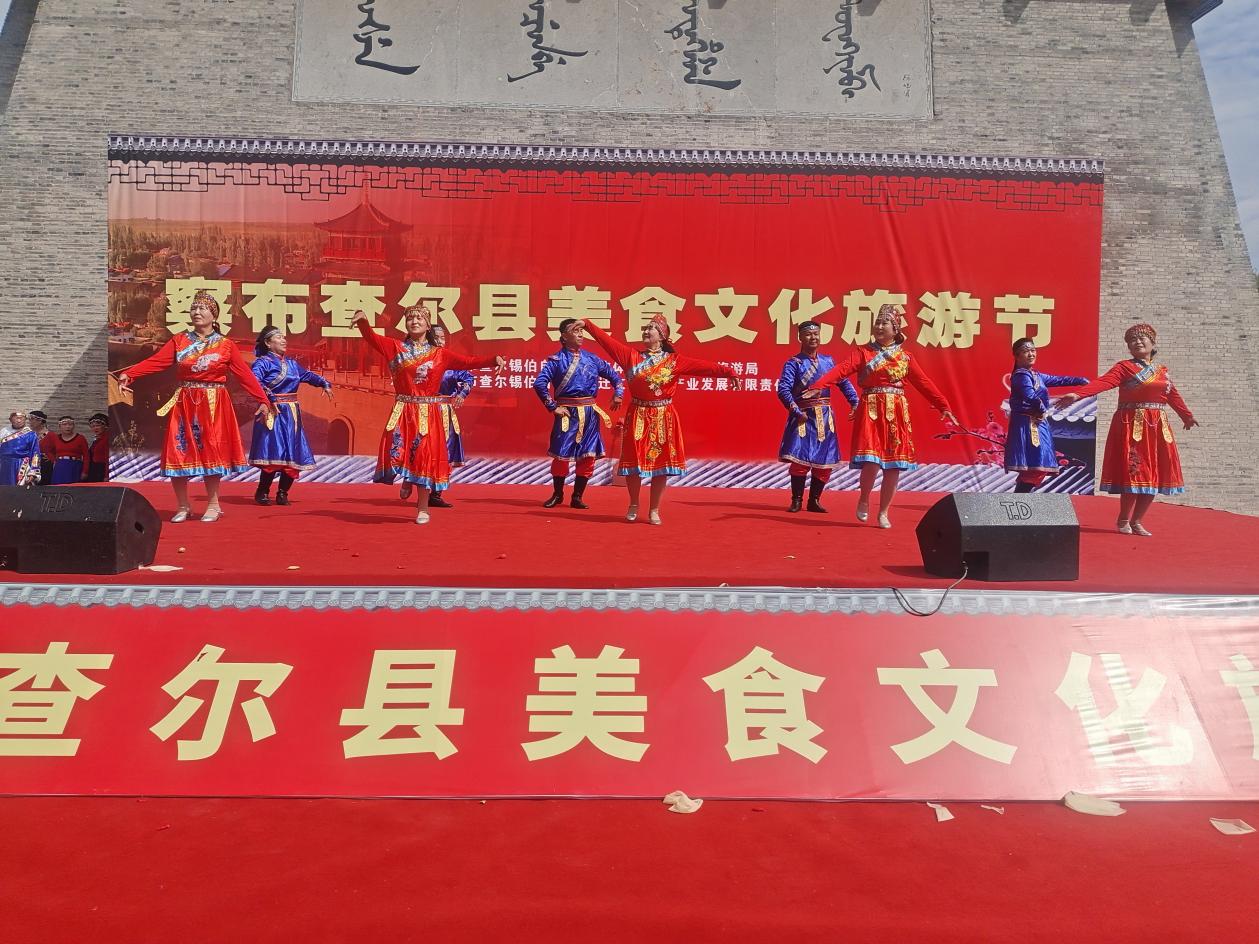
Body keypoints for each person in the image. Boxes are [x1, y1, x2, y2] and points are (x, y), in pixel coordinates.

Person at [115, 290, 274, 522]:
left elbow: (245, 375)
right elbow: (157, 362)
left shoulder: (225, 345)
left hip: (214, 403)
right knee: (178, 450)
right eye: (194, 308)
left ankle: (213, 505)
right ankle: (182, 505)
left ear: (214, 315)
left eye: (202, 308)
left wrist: (263, 400)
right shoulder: (179, 341)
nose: (197, 312)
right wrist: (130, 374)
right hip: (185, 402)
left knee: (212, 452)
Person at [804, 304, 958, 529]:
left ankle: (884, 512)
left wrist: (943, 405)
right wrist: (819, 385)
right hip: (871, 409)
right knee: (872, 461)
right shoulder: (863, 352)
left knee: (893, 466)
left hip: (897, 412)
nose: (879, 326)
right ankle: (864, 498)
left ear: (895, 329)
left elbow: (923, 382)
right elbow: (842, 369)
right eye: (877, 322)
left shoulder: (905, 357)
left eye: (884, 323)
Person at [577, 316, 739, 525]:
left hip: (664, 417)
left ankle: (654, 509)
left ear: (662, 337)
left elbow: (704, 367)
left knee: (660, 466)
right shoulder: (631, 356)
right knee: (633, 463)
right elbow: (607, 342)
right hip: (638, 414)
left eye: (652, 328)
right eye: (645, 328)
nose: (646, 331)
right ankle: (633, 504)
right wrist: (588, 324)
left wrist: (729, 372)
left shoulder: (674, 361)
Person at [353, 306, 505, 524]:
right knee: (401, 451)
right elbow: (371, 338)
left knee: (424, 457)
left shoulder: (440, 354)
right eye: (410, 318)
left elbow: (468, 362)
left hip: (427, 414)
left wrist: (494, 359)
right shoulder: (395, 347)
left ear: (427, 324)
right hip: (404, 411)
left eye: (419, 318)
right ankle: (408, 479)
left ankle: (423, 507)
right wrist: (363, 322)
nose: (414, 321)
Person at [1054, 323, 1198, 536]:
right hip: (1133, 425)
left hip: (1157, 427)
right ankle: (1123, 519)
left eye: (1142, 338)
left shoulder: (1162, 371)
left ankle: (1137, 521)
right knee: (1135, 471)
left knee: (1155, 473)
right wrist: (1078, 394)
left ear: (1152, 343)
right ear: (1129, 348)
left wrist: (1186, 415)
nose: (1137, 342)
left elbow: (1172, 395)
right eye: (1132, 341)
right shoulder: (1124, 368)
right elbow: (1104, 382)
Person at [533, 318, 625, 509]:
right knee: (561, 455)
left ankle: (577, 496)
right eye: (575, 331)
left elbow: (615, 376)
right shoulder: (556, 361)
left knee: (588, 455)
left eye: (581, 331)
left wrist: (618, 394)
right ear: (564, 336)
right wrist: (553, 407)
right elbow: (539, 383)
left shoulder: (592, 359)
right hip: (567, 414)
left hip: (590, 413)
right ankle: (558, 494)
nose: (581, 334)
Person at [777, 321, 860, 513]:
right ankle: (796, 500)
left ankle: (814, 500)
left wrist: (854, 402)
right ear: (800, 337)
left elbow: (844, 382)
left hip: (825, 417)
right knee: (799, 460)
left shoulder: (828, 362)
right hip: (803, 417)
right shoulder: (794, 363)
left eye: (816, 334)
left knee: (825, 461)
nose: (813, 337)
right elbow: (783, 390)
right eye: (808, 334)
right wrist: (796, 411)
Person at [249, 326, 333, 506]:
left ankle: (283, 493)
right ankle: (262, 491)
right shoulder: (262, 363)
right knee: (273, 451)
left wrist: (324, 383)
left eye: (284, 337)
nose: (284, 340)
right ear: (268, 343)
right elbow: (254, 381)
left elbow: (307, 375)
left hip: (292, 414)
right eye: (279, 337)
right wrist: (270, 397)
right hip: (272, 411)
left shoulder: (292, 364)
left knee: (292, 453)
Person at [1003, 339, 1088, 493]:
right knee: (1036, 465)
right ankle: (1020, 497)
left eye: (1033, 350)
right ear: (1016, 355)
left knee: (1037, 466)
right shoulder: (1021, 375)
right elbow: (1029, 395)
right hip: (1028, 423)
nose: (1031, 354)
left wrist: (1080, 380)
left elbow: (1059, 380)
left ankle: (1020, 497)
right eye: (1026, 351)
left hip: (1036, 422)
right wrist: (1042, 409)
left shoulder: (1036, 375)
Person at [424, 324, 474, 510]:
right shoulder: (419, 360)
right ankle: (413, 482)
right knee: (422, 449)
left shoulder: (451, 361)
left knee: (444, 451)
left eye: (443, 337)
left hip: (444, 411)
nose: (440, 341)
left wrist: (462, 394)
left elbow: (469, 378)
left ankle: (436, 493)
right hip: (422, 410)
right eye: (436, 337)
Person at [44, 416, 90, 484]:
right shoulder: (56, 438)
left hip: (75, 467)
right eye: (64, 424)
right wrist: (54, 460)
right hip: (60, 467)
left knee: (73, 487)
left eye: (70, 424)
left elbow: (86, 456)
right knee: (58, 487)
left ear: (73, 426)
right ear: (60, 426)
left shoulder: (80, 438)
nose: (67, 427)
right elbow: (48, 450)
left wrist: (85, 471)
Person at [0, 411, 41, 486]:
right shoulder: (3, 433)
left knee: (19, 490)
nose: (19, 421)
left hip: (21, 465)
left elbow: (35, 454)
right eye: (16, 418)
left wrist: (33, 471)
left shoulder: (31, 434)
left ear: (25, 420)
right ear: (10, 420)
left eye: (21, 418)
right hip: (3, 465)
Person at [86, 413, 110, 482]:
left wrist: (106, 475)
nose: (95, 428)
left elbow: (108, 459)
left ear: (105, 426)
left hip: (101, 469)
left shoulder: (107, 439)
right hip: (94, 469)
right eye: (93, 426)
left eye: (98, 426)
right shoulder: (97, 440)